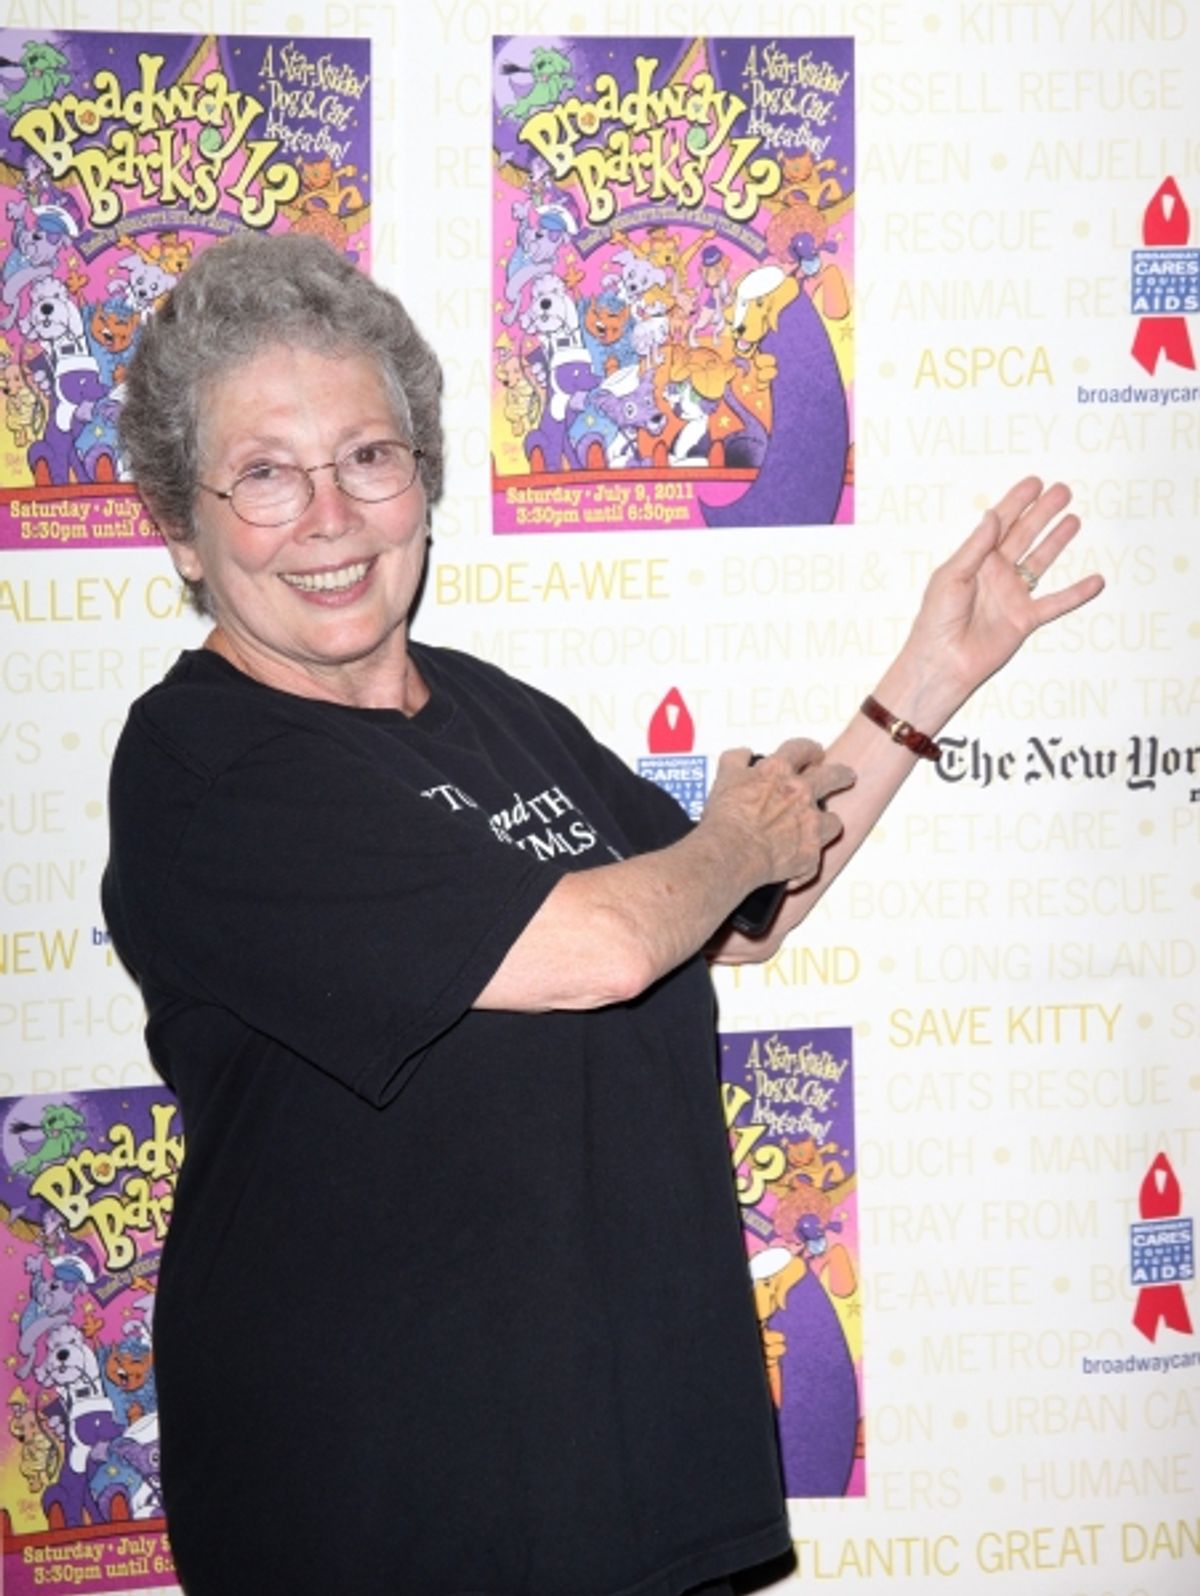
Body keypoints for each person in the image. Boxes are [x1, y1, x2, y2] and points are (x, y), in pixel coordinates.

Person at [103, 233, 1103, 1596]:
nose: (329, 516)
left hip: (626, 1499)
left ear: (423, 481)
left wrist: (931, 674)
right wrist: (729, 836)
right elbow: (606, 944)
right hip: (386, 1523)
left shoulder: (498, 712)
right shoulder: (202, 766)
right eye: (266, 474)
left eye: (368, 457)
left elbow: (736, 913)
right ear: (181, 524)